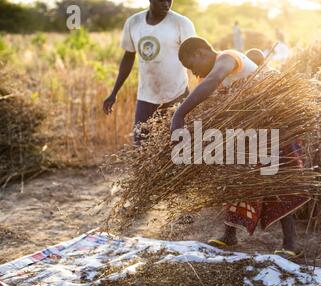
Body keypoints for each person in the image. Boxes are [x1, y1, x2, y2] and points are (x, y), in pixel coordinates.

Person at [171, 37, 309, 258]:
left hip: (275, 126)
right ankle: (230, 235)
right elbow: (205, 104)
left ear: (201, 52)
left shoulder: (227, 58)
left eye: (191, 65)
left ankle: (291, 243)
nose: (193, 72)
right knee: (235, 179)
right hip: (252, 133)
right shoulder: (207, 76)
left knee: (277, 181)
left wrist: (179, 115)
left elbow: (213, 81)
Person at [103, 0, 196, 145]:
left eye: (169, 0)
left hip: (177, 96)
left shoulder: (182, 23)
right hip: (146, 98)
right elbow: (128, 57)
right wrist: (114, 92)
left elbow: (194, 56)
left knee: (177, 148)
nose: (166, 4)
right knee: (141, 147)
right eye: (161, 0)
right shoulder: (133, 23)